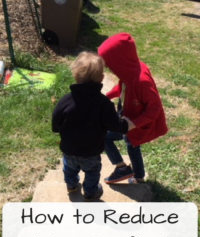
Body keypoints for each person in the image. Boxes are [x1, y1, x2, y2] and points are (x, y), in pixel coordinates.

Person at [52, 51, 134, 201]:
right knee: (92, 173)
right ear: (102, 78)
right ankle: (90, 193)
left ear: (75, 75)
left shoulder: (66, 100)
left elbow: (55, 121)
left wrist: (59, 129)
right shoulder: (103, 103)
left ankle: (71, 185)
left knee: (69, 169)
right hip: (91, 151)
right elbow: (115, 124)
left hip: (69, 149)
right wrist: (127, 125)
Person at [98, 32, 168, 184]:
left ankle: (137, 176)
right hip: (126, 116)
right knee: (107, 137)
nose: (108, 67)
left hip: (135, 122)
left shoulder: (141, 81)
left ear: (120, 61)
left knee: (132, 146)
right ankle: (125, 169)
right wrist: (106, 97)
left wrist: (133, 124)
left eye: (109, 63)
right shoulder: (128, 72)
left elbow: (154, 109)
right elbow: (121, 87)